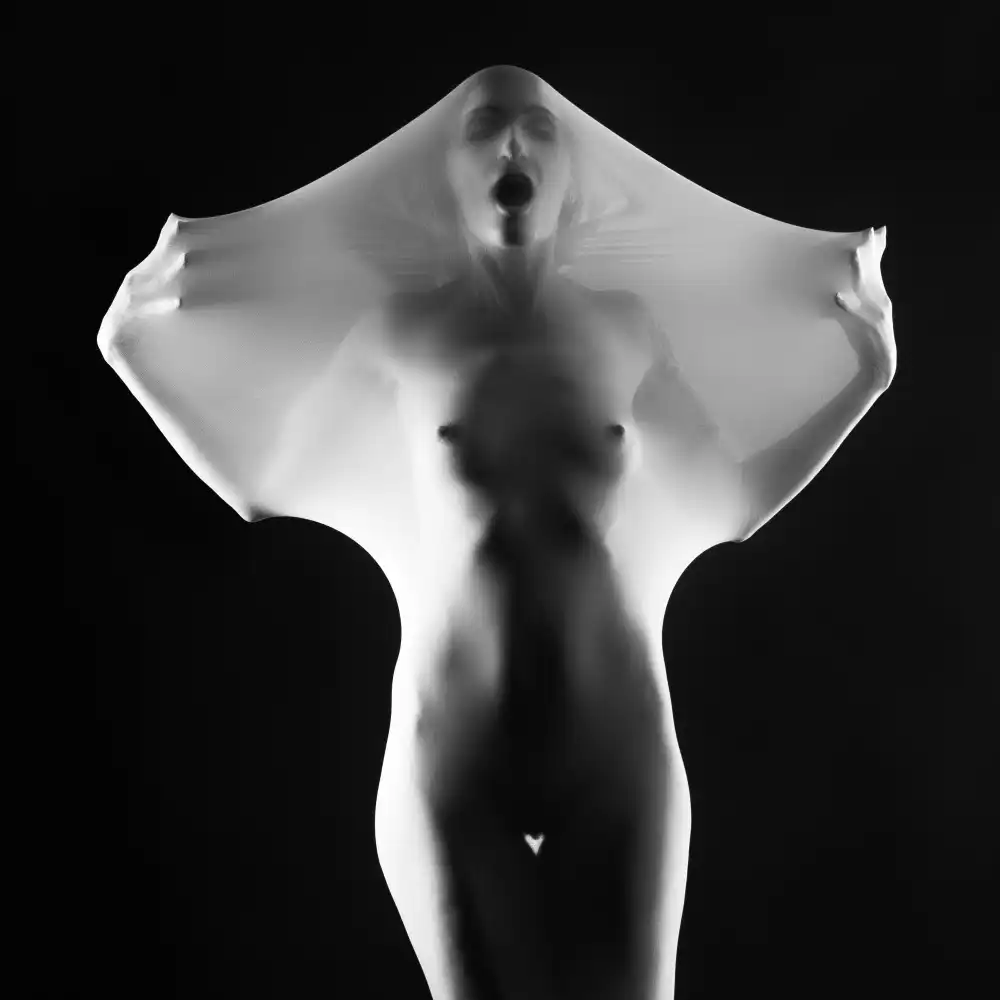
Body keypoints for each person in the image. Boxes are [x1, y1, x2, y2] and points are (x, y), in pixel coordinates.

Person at [98, 64, 895, 1000]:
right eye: (485, 126)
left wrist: (866, 378)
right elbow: (262, 480)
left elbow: (733, 493)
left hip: (619, 753)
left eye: (539, 127)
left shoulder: (623, 328)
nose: (514, 142)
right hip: (452, 763)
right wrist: (129, 353)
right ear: (447, 175)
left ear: (572, 176)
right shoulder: (401, 332)